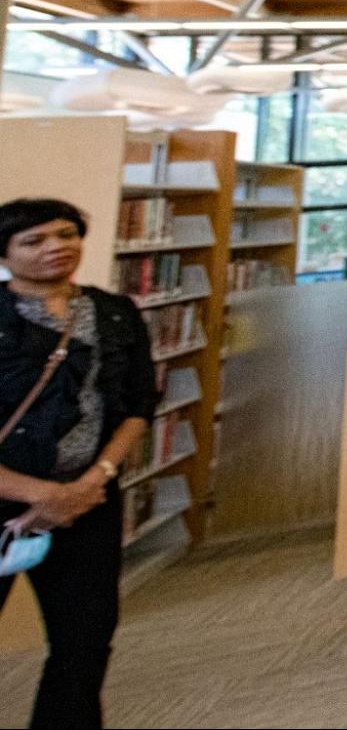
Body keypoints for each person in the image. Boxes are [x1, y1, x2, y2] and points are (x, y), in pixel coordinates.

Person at [0, 198, 158, 730]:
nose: (56, 247)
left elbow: (138, 404)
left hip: (88, 497)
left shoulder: (115, 312)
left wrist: (97, 478)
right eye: (34, 240)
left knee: (85, 639)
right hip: (8, 497)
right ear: (5, 254)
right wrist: (39, 494)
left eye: (67, 234)